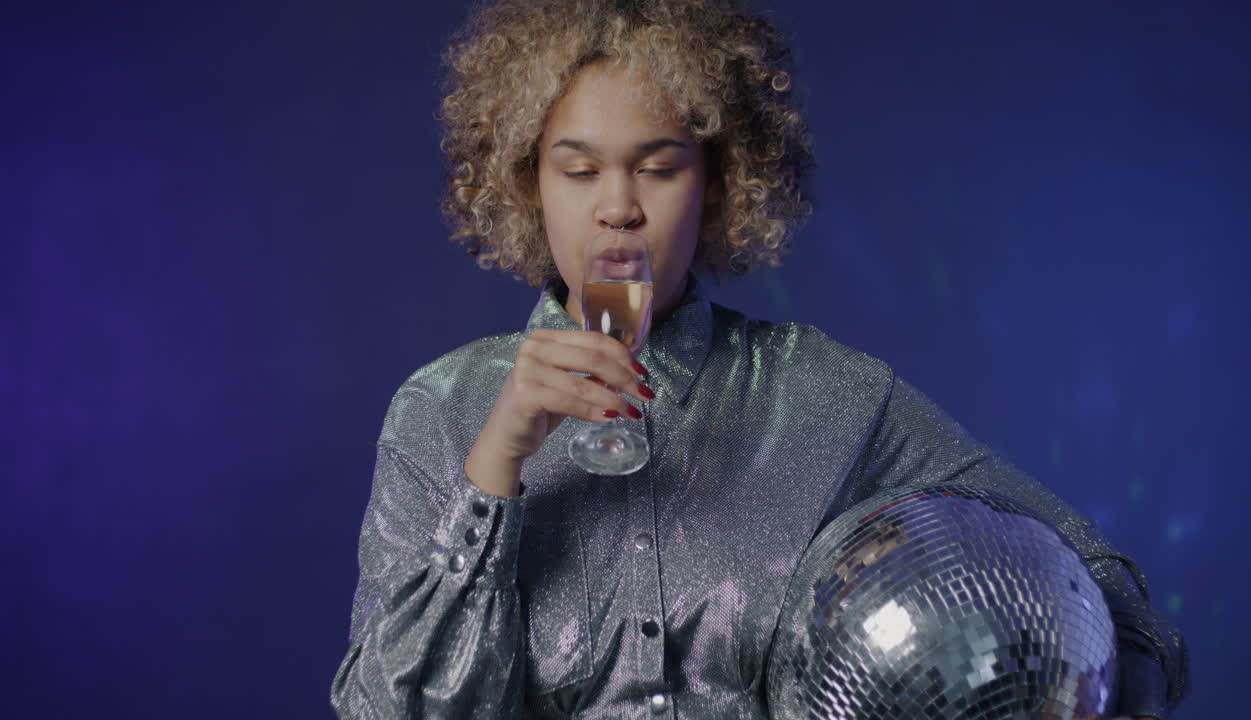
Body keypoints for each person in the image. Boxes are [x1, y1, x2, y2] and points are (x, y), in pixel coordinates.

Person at [329, 0, 1189, 718]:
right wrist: (496, 467)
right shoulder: (439, 411)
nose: (618, 209)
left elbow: (1101, 583)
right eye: (579, 169)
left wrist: (1113, 689)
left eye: (659, 169)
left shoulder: (829, 396)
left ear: (719, 181)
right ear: (528, 185)